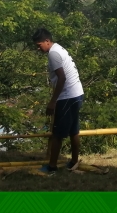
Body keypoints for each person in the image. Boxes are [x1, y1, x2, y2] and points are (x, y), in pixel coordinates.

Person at [33, 28, 84, 175]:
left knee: (57, 134)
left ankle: (52, 167)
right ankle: (74, 162)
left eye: (39, 44)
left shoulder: (53, 53)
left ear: (47, 41)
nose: (38, 48)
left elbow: (62, 78)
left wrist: (52, 102)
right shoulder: (59, 48)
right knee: (73, 130)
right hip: (77, 94)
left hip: (67, 96)